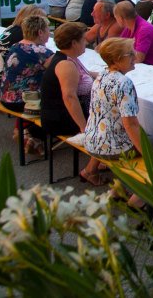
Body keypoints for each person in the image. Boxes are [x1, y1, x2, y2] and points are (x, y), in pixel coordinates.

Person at [84, 37, 153, 208]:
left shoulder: (102, 75)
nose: (135, 56)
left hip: (93, 139)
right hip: (112, 145)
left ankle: (118, 189)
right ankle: (139, 197)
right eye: (130, 54)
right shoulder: (124, 83)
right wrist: (146, 152)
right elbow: (130, 124)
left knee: (147, 140)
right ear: (116, 60)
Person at [39, 22, 104, 184]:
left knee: (108, 115)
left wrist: (109, 74)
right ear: (74, 43)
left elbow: (88, 74)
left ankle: (98, 162)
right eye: (83, 39)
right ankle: (92, 169)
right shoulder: (66, 64)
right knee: (111, 123)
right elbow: (69, 97)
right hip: (60, 118)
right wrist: (84, 127)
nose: (86, 42)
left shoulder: (67, 58)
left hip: (59, 112)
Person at [0, 15, 52, 155]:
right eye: (48, 30)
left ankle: (25, 131)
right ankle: (30, 134)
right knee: (56, 102)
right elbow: (60, 69)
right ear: (40, 33)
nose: (49, 33)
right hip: (23, 101)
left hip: (6, 97)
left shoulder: (15, 46)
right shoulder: (41, 52)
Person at [114, 1, 153, 68]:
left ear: (120, 19)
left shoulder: (144, 29)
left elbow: (139, 58)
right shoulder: (129, 28)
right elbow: (118, 47)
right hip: (145, 68)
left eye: (116, 18)